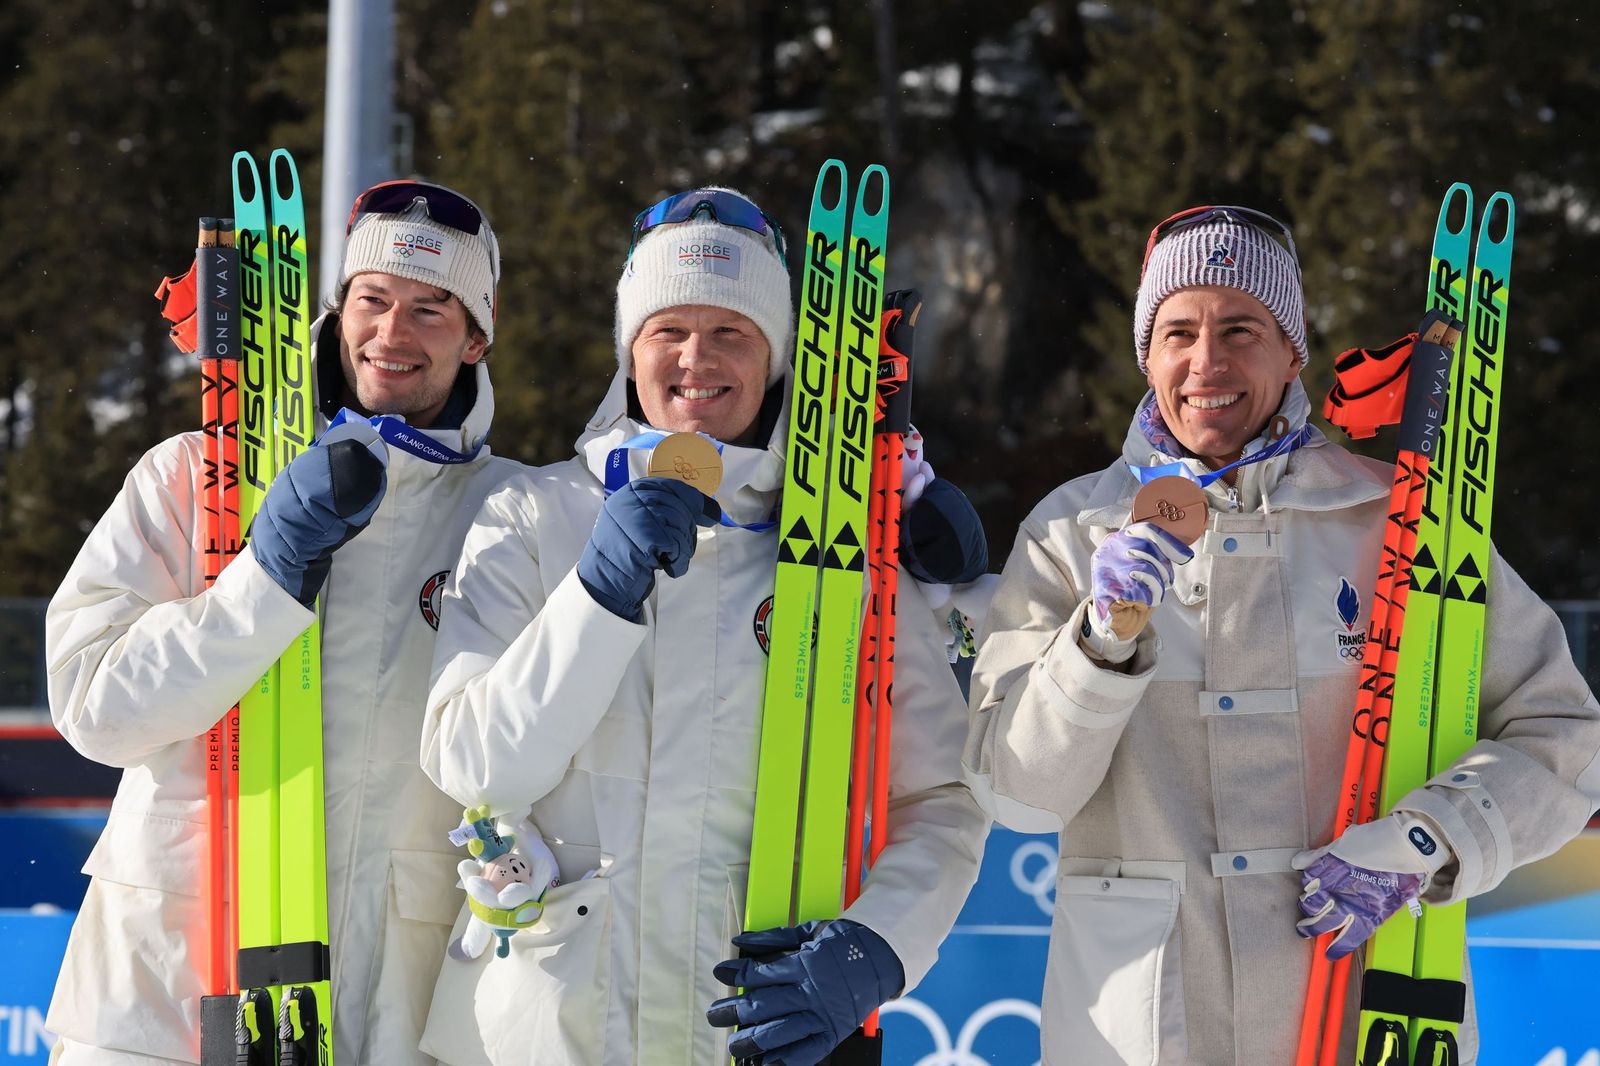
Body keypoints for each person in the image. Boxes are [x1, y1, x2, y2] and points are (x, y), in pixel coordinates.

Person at [963, 205, 1600, 1064]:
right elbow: (1020, 796)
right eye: (1180, 331)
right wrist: (1098, 646)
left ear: (1292, 349)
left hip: (1361, 1015)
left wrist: (1428, 839)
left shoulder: (1400, 522)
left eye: (1241, 328)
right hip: (1141, 1030)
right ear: (1146, 354)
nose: (1207, 361)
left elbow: (1567, 734)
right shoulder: (1070, 534)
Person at [418, 188, 990, 1065]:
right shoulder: (531, 517)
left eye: (733, 331)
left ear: (774, 356)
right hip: (546, 1027)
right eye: (668, 329)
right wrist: (598, 599)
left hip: (755, 1021)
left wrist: (882, 945)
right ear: (629, 350)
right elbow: (475, 767)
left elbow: (941, 801)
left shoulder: (840, 548)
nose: (697, 358)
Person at [45, 180, 524, 1065]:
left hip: (384, 1005)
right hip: (164, 998)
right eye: (373, 300)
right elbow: (95, 710)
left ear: (477, 336)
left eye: (431, 309)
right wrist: (263, 580)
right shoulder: (192, 474)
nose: (393, 333)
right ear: (340, 310)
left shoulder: (510, 514)